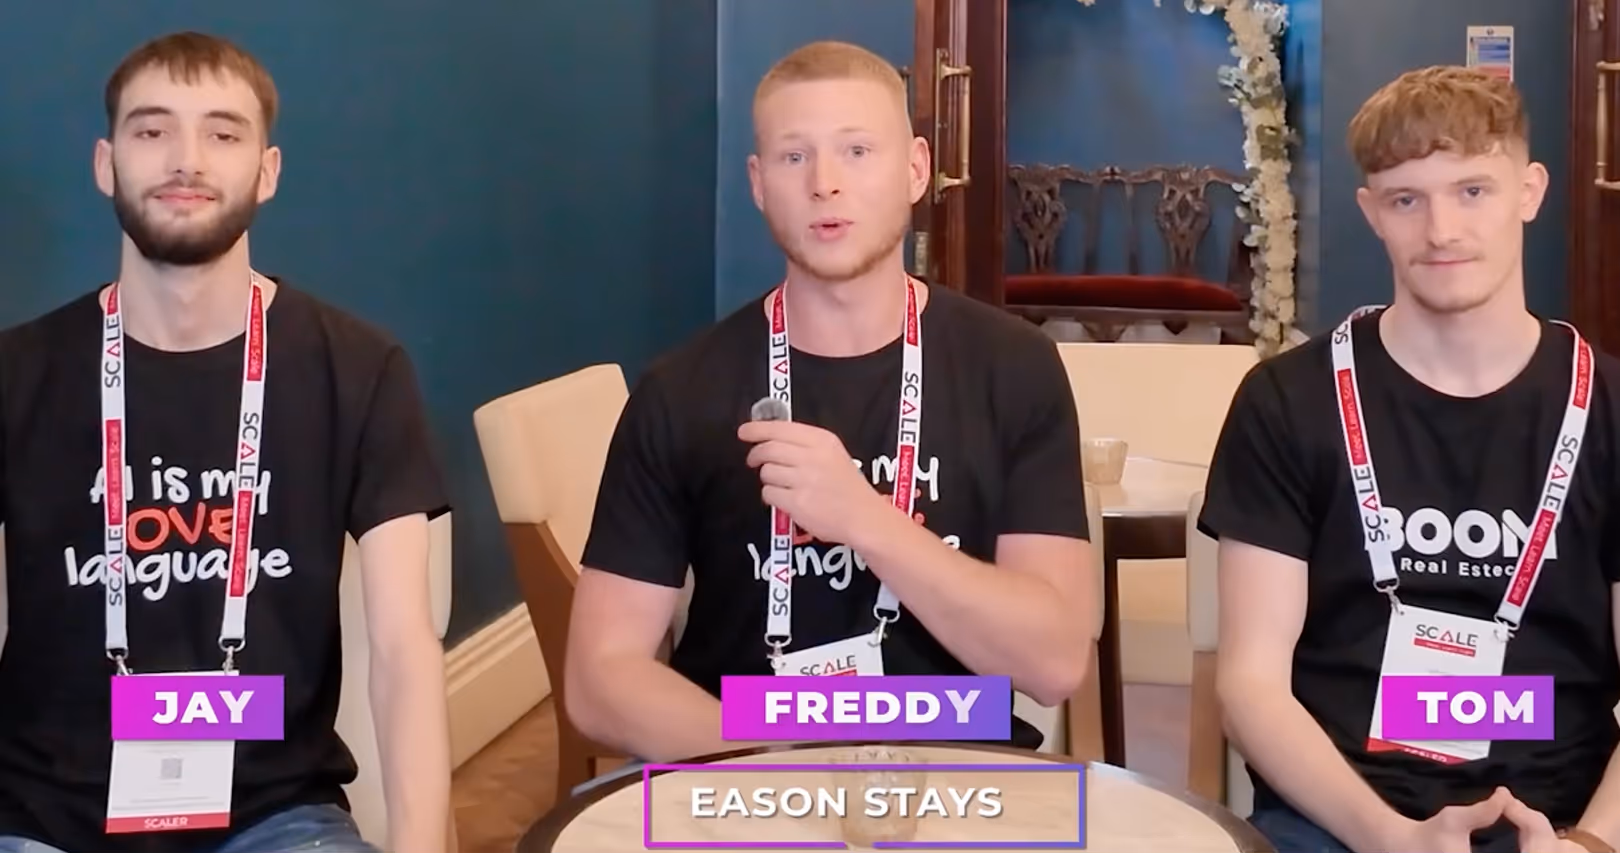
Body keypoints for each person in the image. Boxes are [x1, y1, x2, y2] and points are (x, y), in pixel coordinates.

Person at [563, 40, 1097, 782]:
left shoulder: (1013, 369)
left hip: (954, 752)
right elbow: (599, 679)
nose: (824, 184)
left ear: (915, 170)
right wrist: (780, 756)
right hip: (740, 753)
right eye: (793, 157)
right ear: (757, 183)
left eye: (855, 151)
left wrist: (867, 520)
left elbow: (1055, 661)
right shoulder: (682, 390)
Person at [0, 32, 453, 854]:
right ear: (106, 164)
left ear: (267, 172)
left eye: (222, 132)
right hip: (41, 819)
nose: (185, 159)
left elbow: (401, 646)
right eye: (151, 130)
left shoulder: (359, 368)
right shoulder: (14, 373)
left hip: (276, 815)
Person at [1200, 65, 1620, 854]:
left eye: (1472, 192)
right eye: (1406, 200)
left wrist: (1591, 843)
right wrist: (1393, 839)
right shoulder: (1287, 402)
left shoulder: (1608, 412)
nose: (1442, 231)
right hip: (1341, 818)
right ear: (1371, 213)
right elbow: (1251, 685)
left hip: (1567, 818)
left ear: (1529, 193)